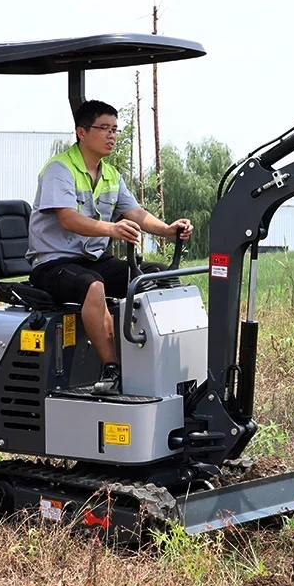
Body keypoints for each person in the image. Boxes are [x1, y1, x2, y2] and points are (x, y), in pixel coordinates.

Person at [26, 100, 193, 395]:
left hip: (91, 260)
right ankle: (112, 368)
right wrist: (111, 229)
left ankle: (165, 359)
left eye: (115, 129)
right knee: (93, 286)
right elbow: (68, 218)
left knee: (155, 277)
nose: (112, 135)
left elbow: (136, 213)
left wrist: (168, 230)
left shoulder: (111, 175)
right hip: (52, 264)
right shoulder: (60, 169)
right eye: (104, 128)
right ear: (81, 131)